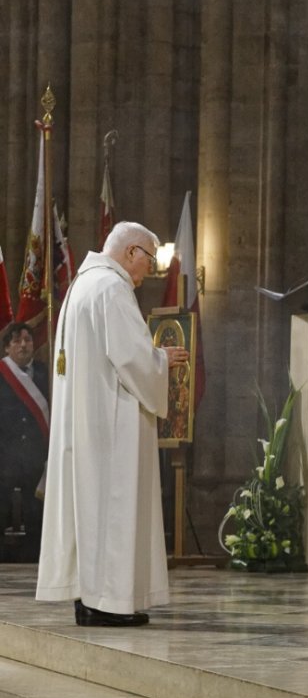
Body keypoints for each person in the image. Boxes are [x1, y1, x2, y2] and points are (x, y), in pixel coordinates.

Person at [36, 221, 189, 626]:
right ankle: (108, 603)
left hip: (86, 421)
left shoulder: (82, 286)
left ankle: (88, 600)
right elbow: (130, 357)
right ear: (131, 252)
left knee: (89, 510)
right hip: (111, 423)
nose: (149, 271)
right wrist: (161, 360)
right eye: (149, 260)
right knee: (112, 508)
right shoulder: (112, 288)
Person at [0, 322, 49, 562]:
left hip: (34, 455)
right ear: (7, 347)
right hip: (5, 455)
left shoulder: (44, 373)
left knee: (35, 508)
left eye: (27, 340)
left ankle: (35, 556)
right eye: (17, 341)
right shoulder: (1, 373)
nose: (23, 345)